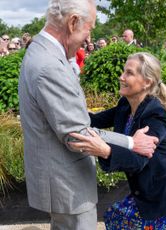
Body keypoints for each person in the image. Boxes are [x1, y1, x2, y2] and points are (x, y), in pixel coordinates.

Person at [18, 1, 158, 229]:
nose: (89, 38)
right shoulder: (49, 66)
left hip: (60, 178)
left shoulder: (42, 52)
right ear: (73, 22)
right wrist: (132, 142)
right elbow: (78, 134)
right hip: (67, 184)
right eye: (89, 28)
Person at [69, 52, 166, 229]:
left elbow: (138, 160)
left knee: (118, 219)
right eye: (123, 71)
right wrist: (66, 110)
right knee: (115, 217)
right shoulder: (125, 106)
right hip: (147, 191)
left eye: (129, 73)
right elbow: (95, 120)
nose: (121, 77)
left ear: (147, 82)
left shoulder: (156, 116)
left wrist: (105, 150)